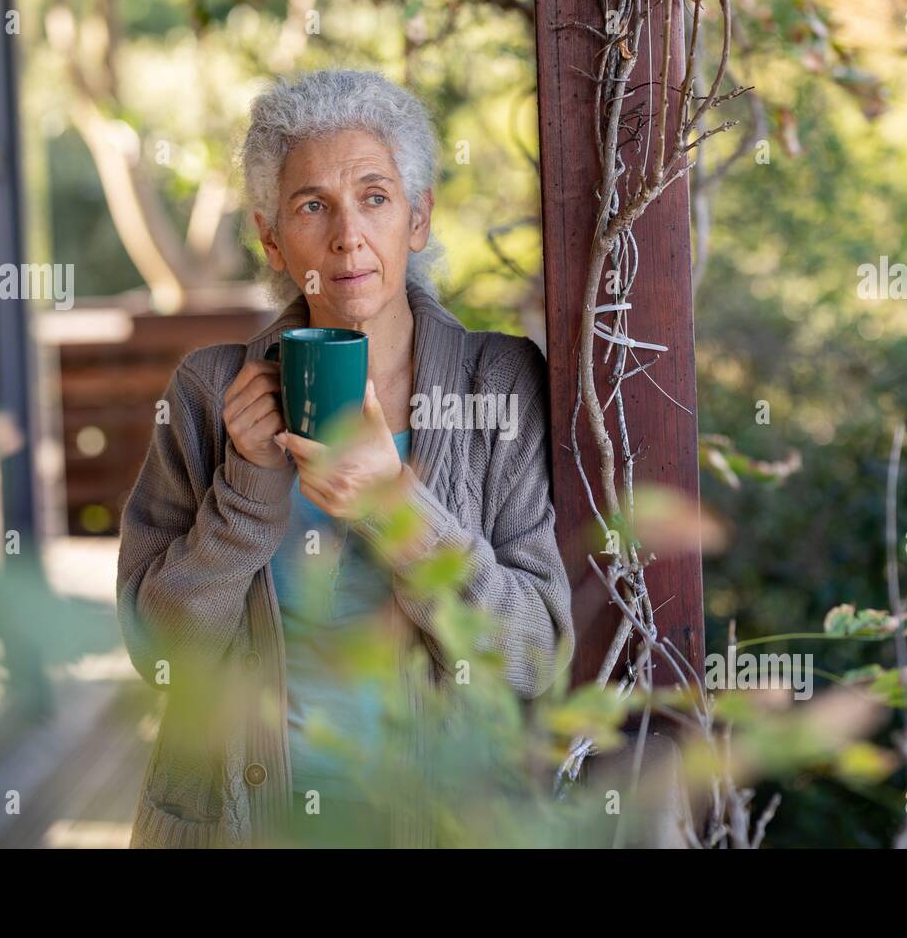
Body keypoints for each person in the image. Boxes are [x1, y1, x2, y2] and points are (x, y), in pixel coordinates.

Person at [116, 69, 573, 848]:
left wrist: (402, 512)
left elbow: (534, 656)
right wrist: (248, 488)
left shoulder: (499, 382)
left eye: (375, 196)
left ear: (418, 218)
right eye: (311, 206)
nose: (347, 236)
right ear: (271, 238)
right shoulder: (210, 391)